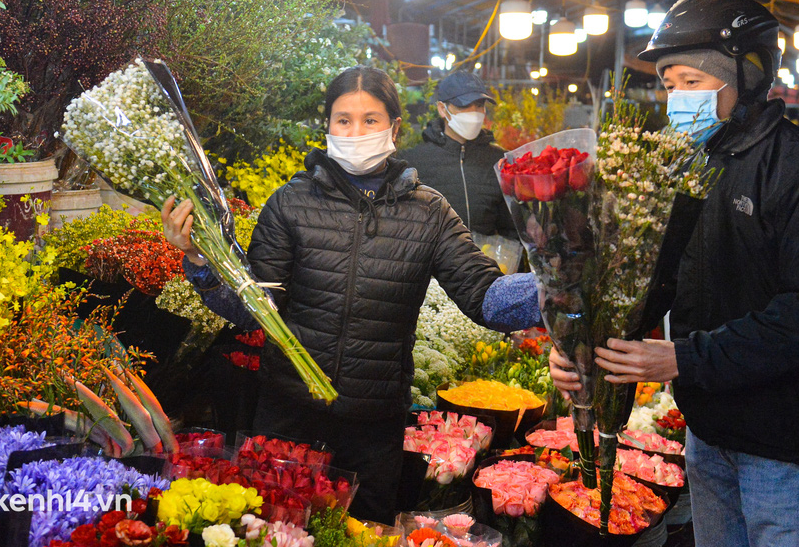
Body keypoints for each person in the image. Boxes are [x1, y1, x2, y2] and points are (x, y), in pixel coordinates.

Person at [549, 0, 799, 547]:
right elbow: (653, 278)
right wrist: (584, 343)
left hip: (790, 449)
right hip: (709, 433)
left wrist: (682, 358)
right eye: (670, 83)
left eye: (693, 81)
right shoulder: (685, 171)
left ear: (746, 79)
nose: (677, 97)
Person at [162, 66, 541, 524]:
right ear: (327, 127)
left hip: (374, 429)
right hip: (288, 420)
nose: (356, 131)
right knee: (278, 531)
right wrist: (201, 264)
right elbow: (252, 311)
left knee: (363, 530)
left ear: (395, 128)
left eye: (370, 120)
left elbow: (485, 297)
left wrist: (560, 288)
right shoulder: (291, 203)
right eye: (343, 120)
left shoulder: (429, 212)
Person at [399, 72, 516, 238]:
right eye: (463, 105)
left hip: (485, 260)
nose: (474, 113)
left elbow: (511, 226)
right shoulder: (415, 161)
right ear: (442, 109)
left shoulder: (499, 161)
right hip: (436, 262)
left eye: (479, 105)